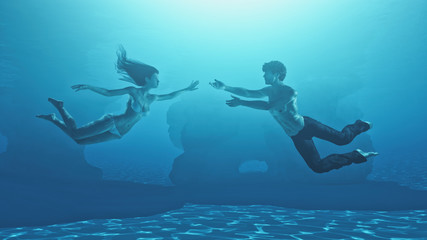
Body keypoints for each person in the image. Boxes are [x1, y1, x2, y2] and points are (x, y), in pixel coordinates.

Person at [210, 61, 378, 173]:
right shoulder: (268, 91)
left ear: (276, 74)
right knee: (317, 167)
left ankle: (360, 125)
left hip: (307, 126)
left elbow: (269, 106)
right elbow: (249, 92)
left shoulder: (290, 92)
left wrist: (242, 103)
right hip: (296, 136)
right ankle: (357, 155)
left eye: (266, 73)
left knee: (343, 139)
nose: (263, 76)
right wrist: (225, 87)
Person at [37, 46, 199, 145]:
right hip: (112, 123)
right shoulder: (133, 91)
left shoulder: (152, 98)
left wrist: (187, 89)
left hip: (119, 133)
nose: (158, 81)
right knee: (77, 134)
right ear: (147, 78)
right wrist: (89, 86)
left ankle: (53, 118)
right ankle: (60, 108)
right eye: (156, 78)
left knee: (79, 141)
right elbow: (108, 93)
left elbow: (171, 95)